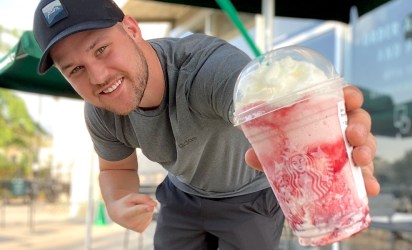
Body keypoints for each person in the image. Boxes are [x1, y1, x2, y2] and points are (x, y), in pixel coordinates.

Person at [33, 0, 380, 249]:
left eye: (101, 49)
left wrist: (337, 143)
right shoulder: (99, 110)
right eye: (74, 69)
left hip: (250, 197)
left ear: (132, 29)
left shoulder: (206, 69)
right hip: (182, 195)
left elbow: (278, 106)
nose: (97, 76)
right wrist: (117, 201)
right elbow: (115, 169)